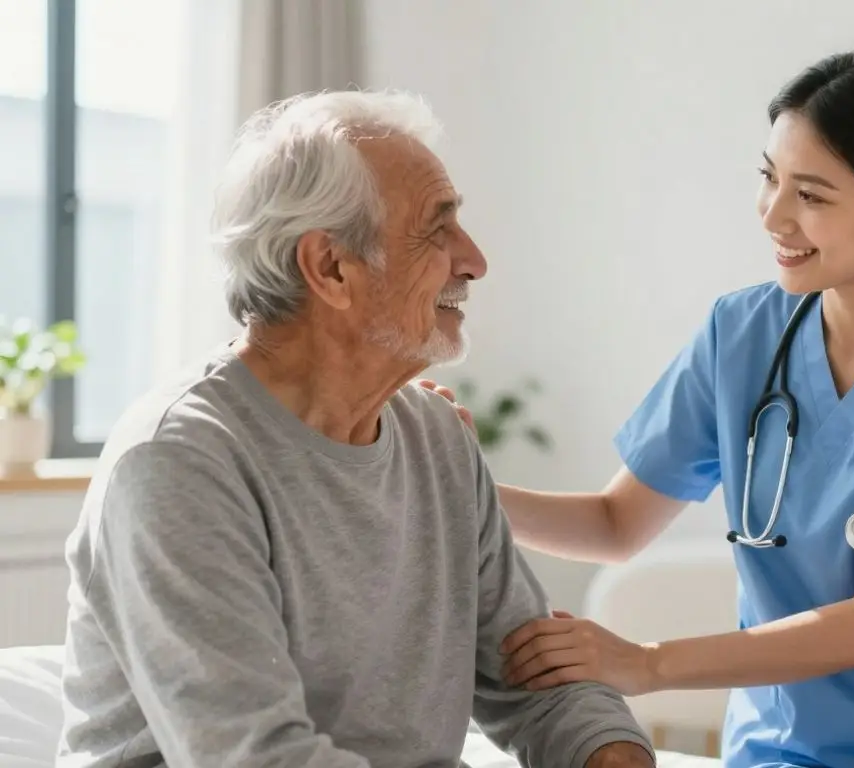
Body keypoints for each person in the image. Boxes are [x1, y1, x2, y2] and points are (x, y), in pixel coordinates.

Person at [432, 47, 854, 767]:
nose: (773, 216)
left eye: (813, 195)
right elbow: (617, 524)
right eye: (769, 179)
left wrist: (647, 663)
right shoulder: (740, 335)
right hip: (789, 746)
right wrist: (456, 482)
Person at [55, 90, 654, 768]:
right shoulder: (177, 462)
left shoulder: (439, 440)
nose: (475, 260)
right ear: (331, 268)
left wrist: (611, 755)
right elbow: (257, 757)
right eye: (438, 229)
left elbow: (542, 685)